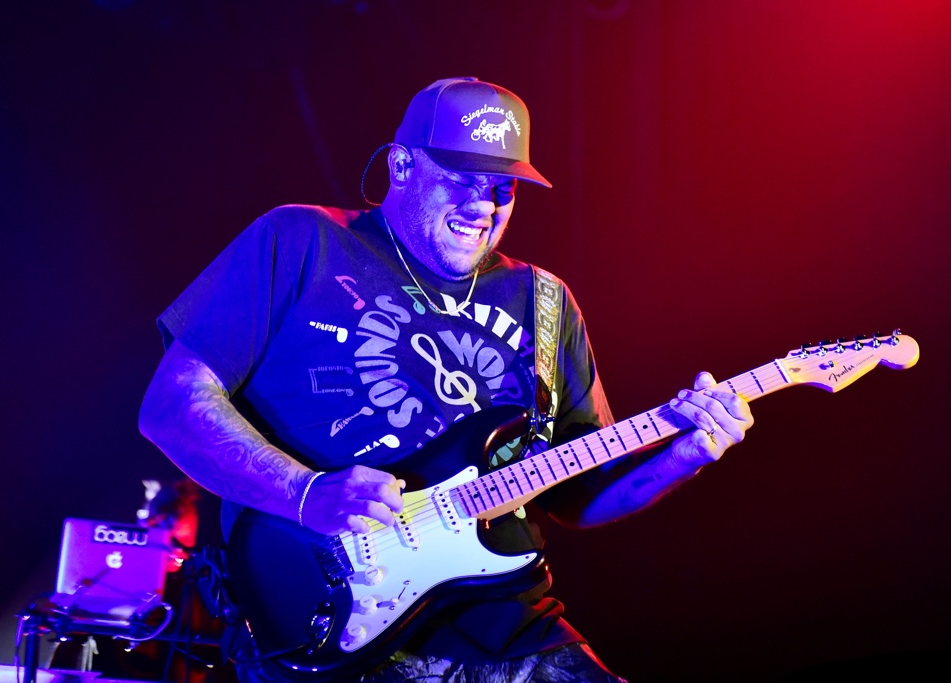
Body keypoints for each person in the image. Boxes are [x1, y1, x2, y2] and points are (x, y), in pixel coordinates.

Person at [139, 77, 754, 682]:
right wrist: (307, 493)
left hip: (513, 627)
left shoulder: (545, 301)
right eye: (462, 179)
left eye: (502, 188)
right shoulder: (302, 241)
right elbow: (173, 405)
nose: (484, 206)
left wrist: (684, 456)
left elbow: (579, 495)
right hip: (334, 615)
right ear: (402, 166)